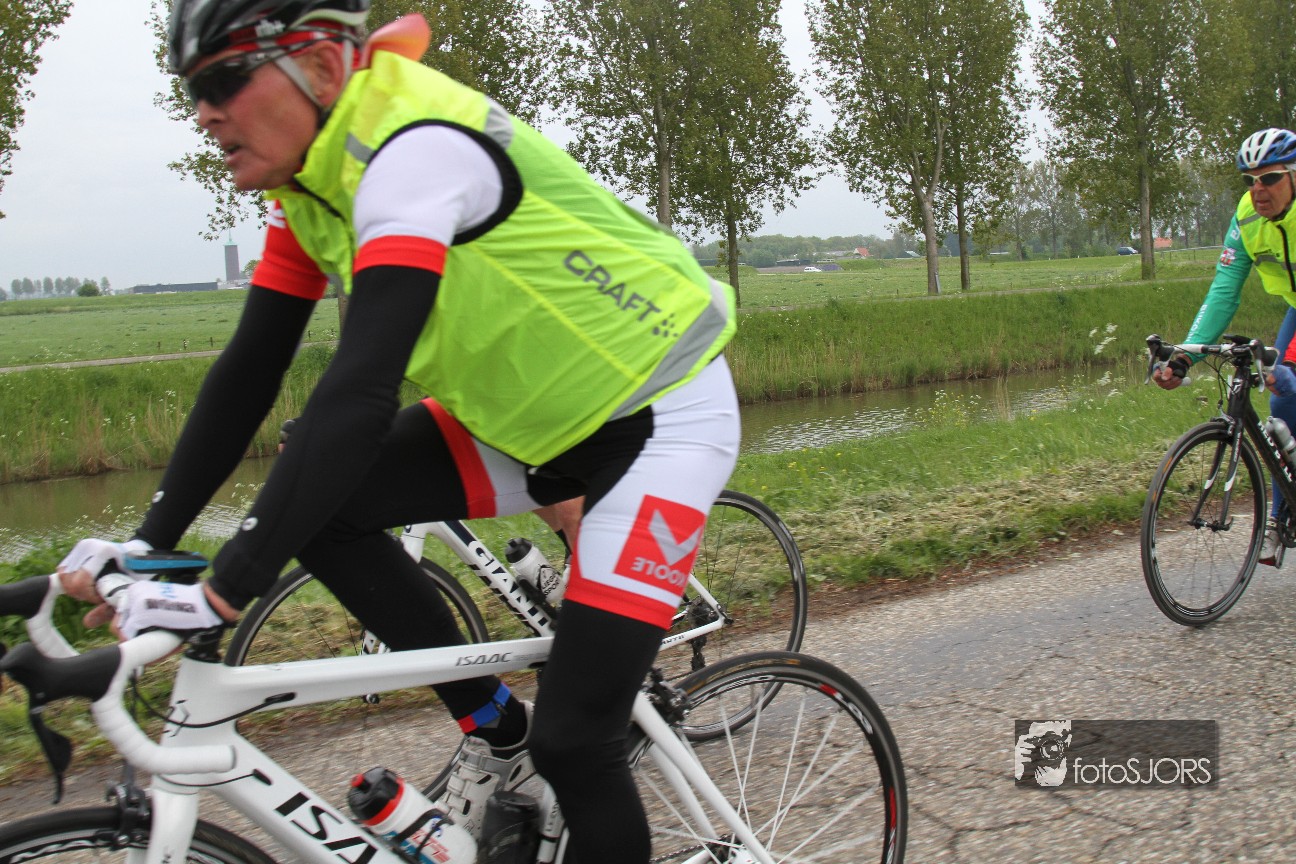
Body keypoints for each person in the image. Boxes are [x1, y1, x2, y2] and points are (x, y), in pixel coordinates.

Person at [55, 3, 738, 862]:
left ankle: (549, 742)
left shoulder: (413, 151)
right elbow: (250, 370)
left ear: (321, 68)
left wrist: (222, 591)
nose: (204, 113)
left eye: (224, 80)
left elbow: (360, 390)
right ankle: (496, 724)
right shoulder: (311, 189)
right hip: (531, 421)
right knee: (326, 507)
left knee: (576, 742)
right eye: (194, 89)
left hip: (657, 420)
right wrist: (148, 544)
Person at [1154, 127, 1296, 567]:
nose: (1258, 189)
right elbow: (1224, 290)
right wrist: (1186, 354)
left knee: (1286, 384)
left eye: (1269, 178)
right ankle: (1283, 520)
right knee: (1283, 406)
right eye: (1250, 180)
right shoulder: (1247, 217)